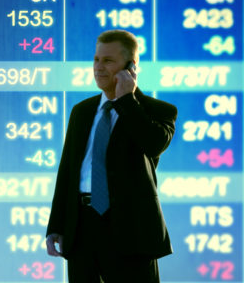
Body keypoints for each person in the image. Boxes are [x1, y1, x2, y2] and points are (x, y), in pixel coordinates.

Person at [45, 30, 177, 283]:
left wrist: (127, 99)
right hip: (82, 228)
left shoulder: (158, 111)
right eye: (96, 60)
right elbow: (68, 171)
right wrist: (56, 225)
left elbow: (154, 145)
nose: (98, 67)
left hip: (132, 231)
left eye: (108, 61)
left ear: (131, 68)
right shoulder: (81, 112)